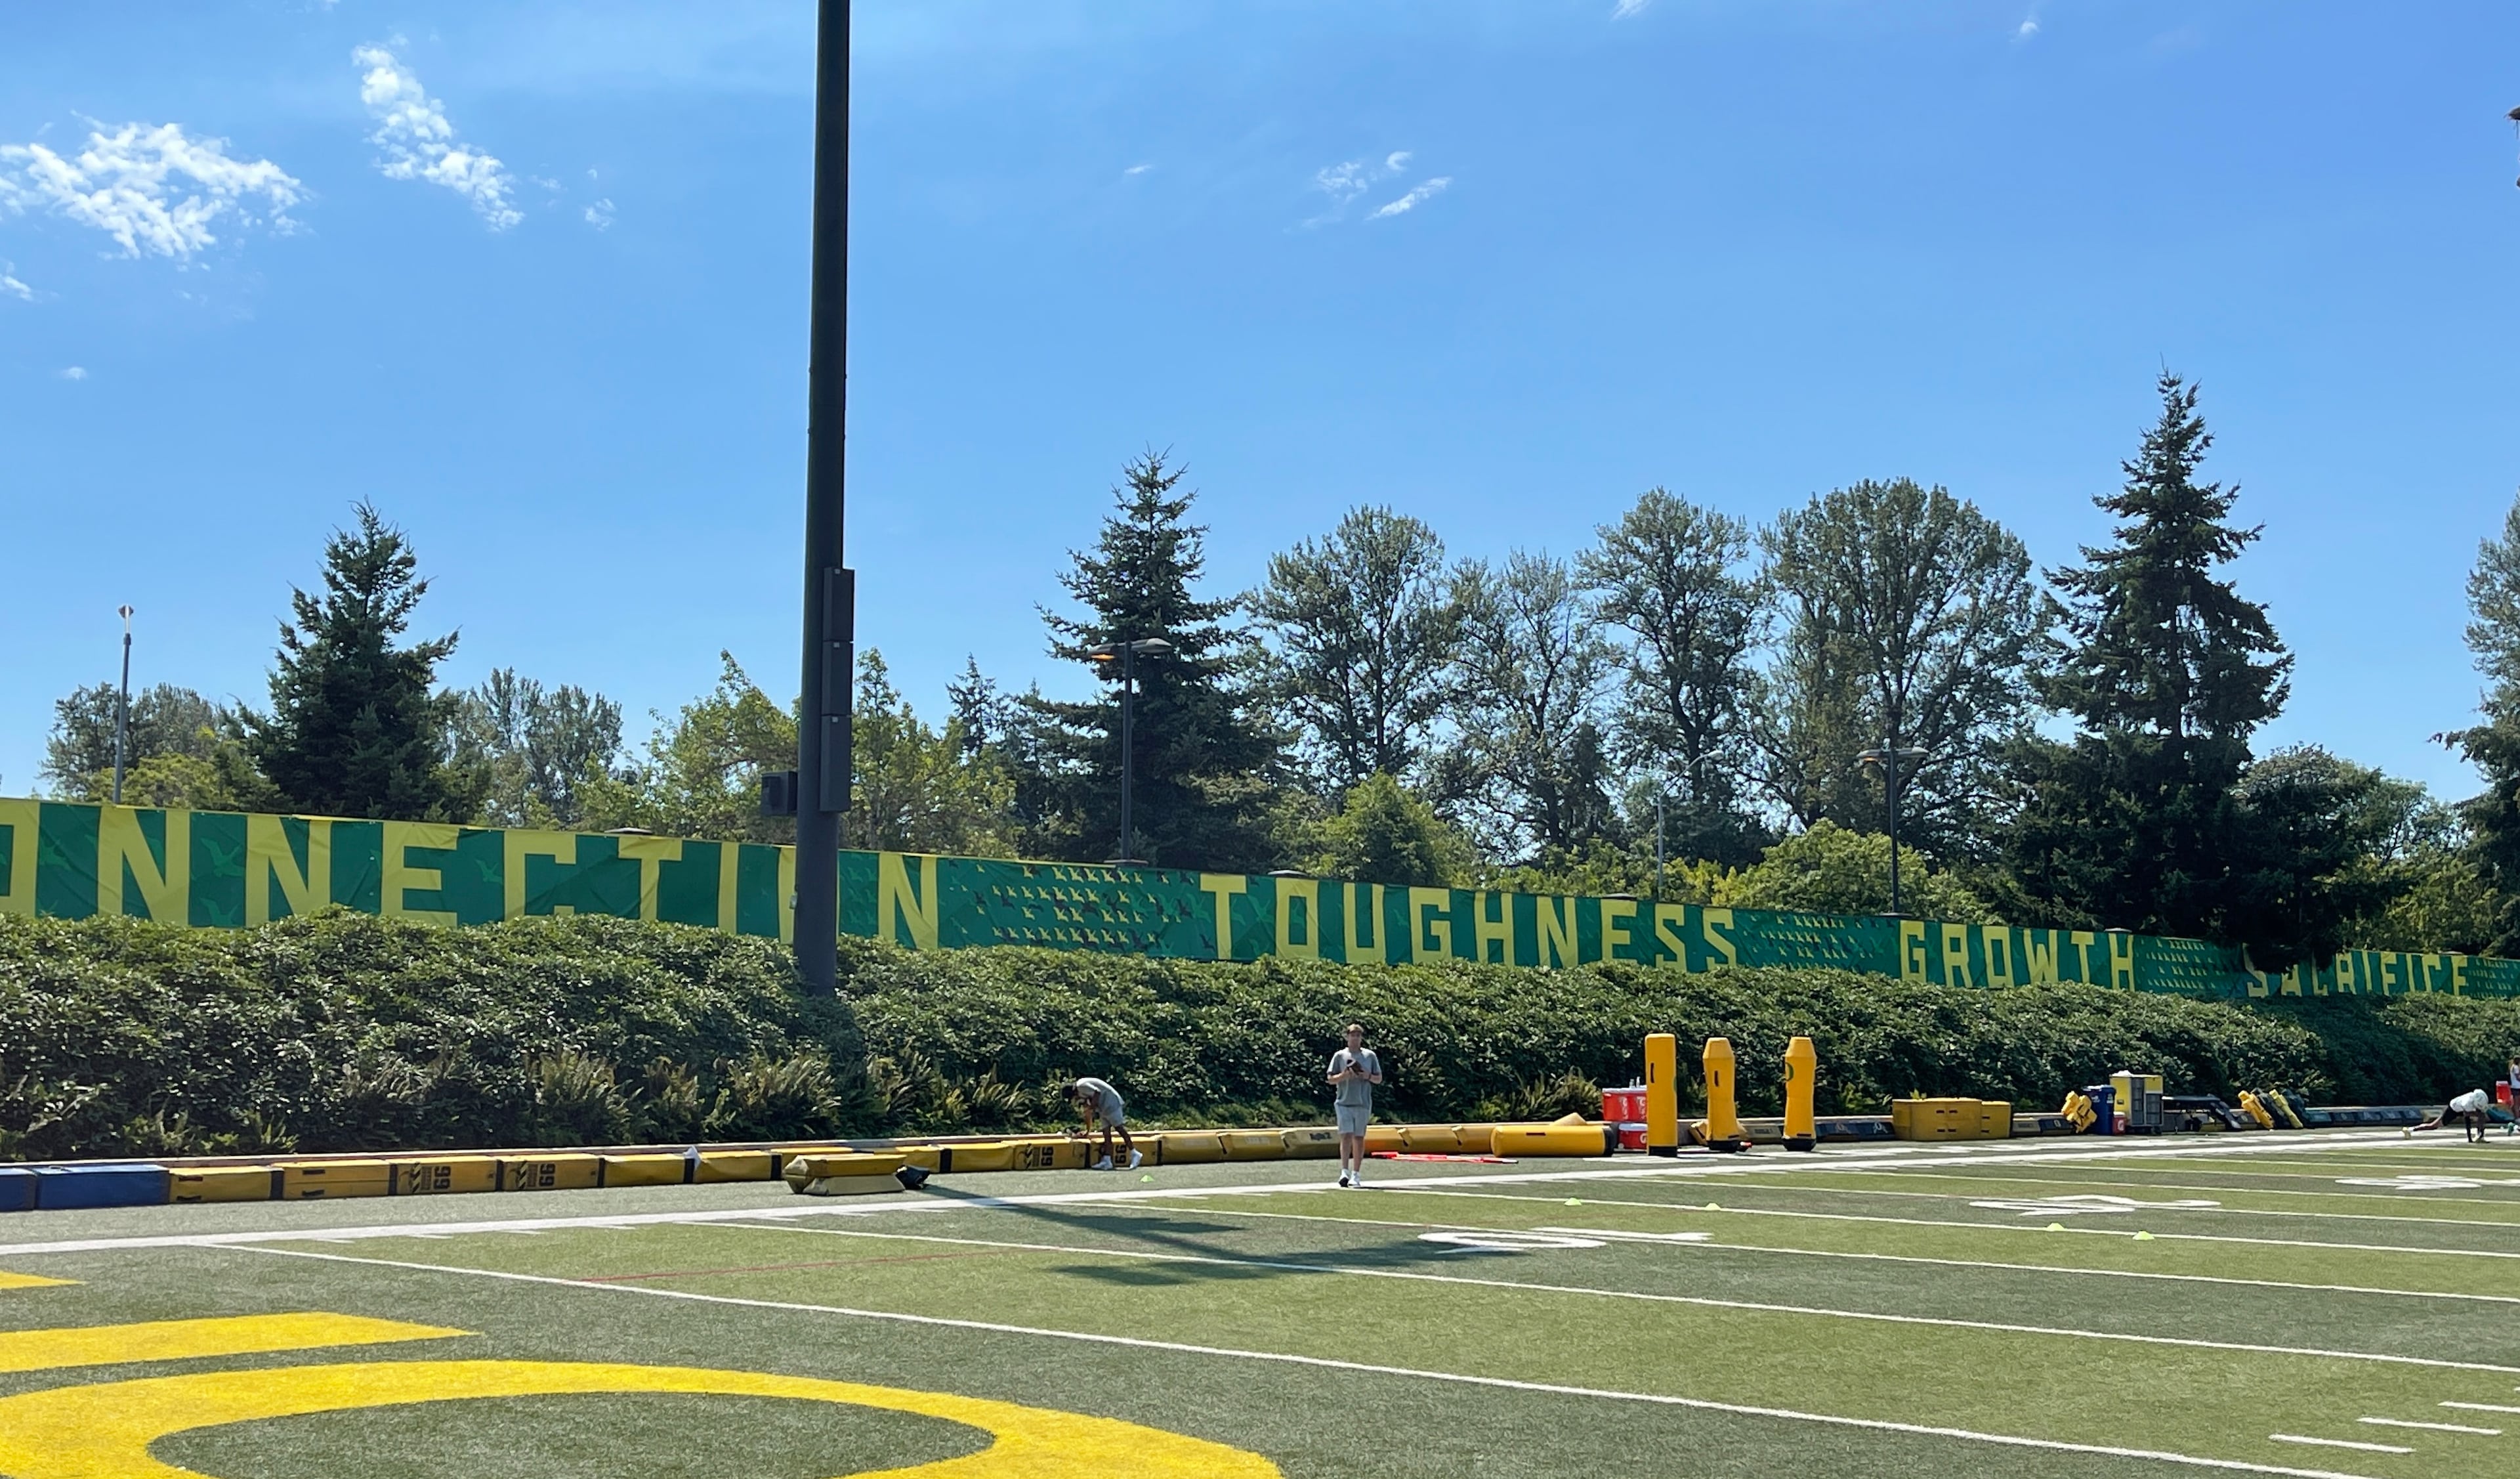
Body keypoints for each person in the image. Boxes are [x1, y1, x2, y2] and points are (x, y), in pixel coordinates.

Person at [1326, 1023, 1383, 1189]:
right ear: (1347, 1037)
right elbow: (1330, 1079)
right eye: (1352, 1035)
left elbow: (1378, 1079)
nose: (1355, 1038)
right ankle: (1344, 1171)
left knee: (1358, 1137)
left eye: (1358, 1035)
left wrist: (1367, 1075)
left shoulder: (1369, 1056)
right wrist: (1344, 1076)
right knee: (1345, 1135)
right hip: (1343, 1101)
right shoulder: (1340, 1056)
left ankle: (1356, 1174)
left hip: (1362, 1102)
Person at [1070, 1077, 1139, 1170]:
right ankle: (1107, 1161)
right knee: (1106, 1133)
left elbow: (1097, 1092)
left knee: (1119, 1129)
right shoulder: (1082, 1093)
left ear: (1074, 1092)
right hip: (1103, 1107)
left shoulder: (1081, 1086)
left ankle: (1135, 1153)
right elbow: (1088, 1114)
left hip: (1111, 1103)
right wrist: (1087, 1131)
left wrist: (1092, 1108)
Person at [2411, 1087, 2494, 1144]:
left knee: (2482, 1115)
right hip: (2453, 1110)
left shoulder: (2479, 1096)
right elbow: (2467, 1119)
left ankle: (2480, 1136)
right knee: (2433, 1126)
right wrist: (2469, 1139)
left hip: (2462, 1108)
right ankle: (2414, 1129)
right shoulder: (2467, 1102)